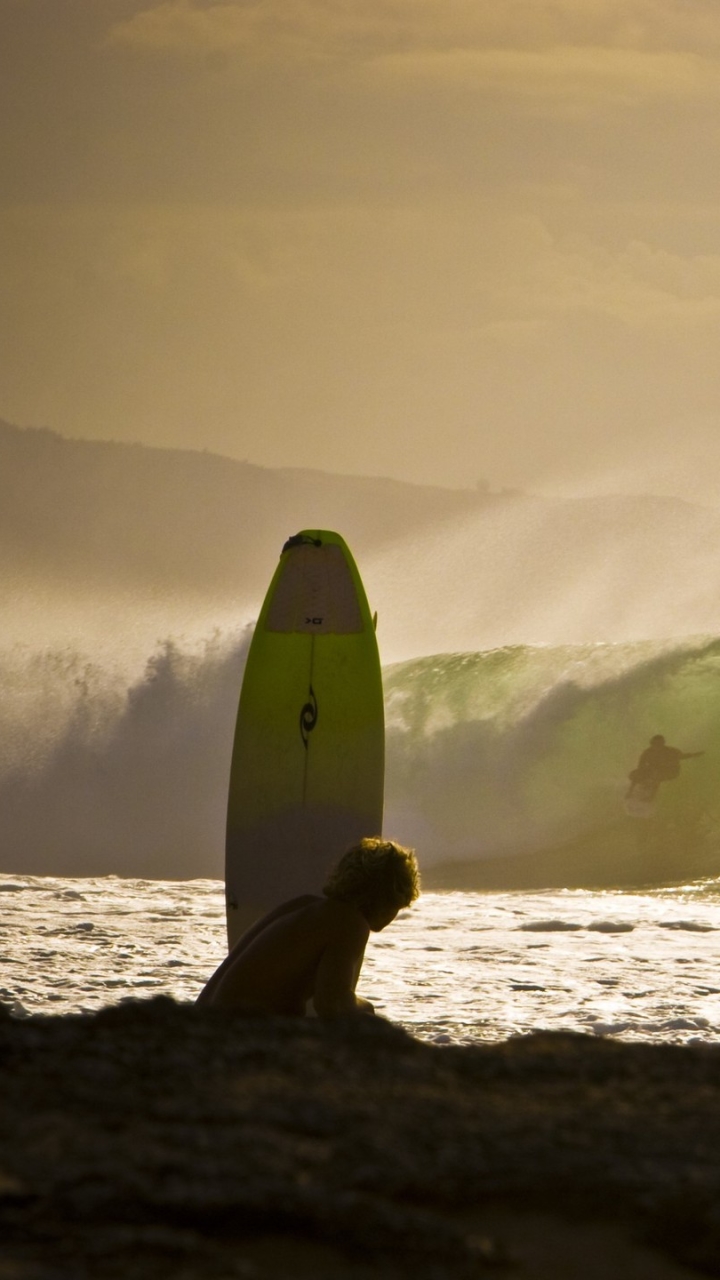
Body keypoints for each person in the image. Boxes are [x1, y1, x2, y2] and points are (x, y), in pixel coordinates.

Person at [196, 837, 419, 1017]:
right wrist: (368, 1009)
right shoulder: (350, 923)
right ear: (387, 897)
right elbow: (332, 1005)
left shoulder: (304, 906)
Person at [626, 734, 704, 800]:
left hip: (671, 772)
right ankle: (631, 792)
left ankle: (651, 797)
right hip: (655, 771)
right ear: (651, 744)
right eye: (654, 744)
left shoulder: (670, 751)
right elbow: (641, 766)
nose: (656, 747)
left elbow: (683, 756)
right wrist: (640, 777)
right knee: (635, 774)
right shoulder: (647, 752)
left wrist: (695, 754)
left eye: (659, 745)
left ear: (663, 744)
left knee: (656, 775)